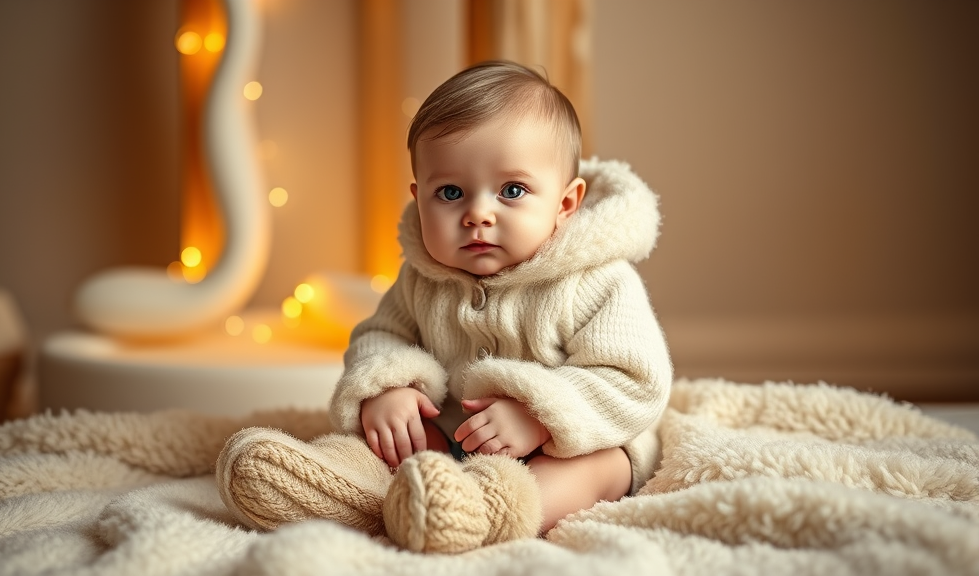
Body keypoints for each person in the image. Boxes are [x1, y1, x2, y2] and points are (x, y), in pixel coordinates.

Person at [216, 60, 672, 554]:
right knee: (392, 443)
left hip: (576, 442)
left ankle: (483, 512)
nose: (478, 213)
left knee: (593, 468)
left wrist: (541, 415)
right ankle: (349, 487)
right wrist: (388, 388)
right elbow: (382, 335)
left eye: (512, 191)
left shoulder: (596, 280)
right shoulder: (423, 277)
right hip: (452, 440)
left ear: (565, 204)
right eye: (450, 192)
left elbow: (634, 379)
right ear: (419, 198)